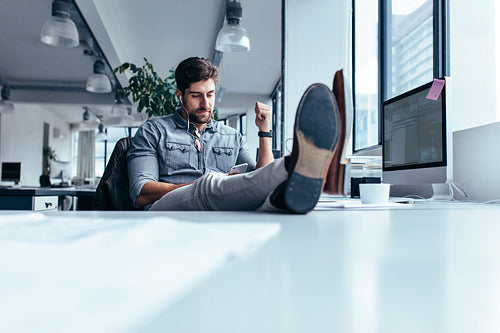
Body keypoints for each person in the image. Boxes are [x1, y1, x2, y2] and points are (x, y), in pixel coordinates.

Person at [127, 56, 345, 213]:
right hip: (167, 212)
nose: (206, 104)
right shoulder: (154, 130)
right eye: (196, 96)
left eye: (210, 95)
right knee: (209, 185)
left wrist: (265, 131)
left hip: (220, 211)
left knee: (263, 200)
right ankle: (297, 165)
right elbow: (141, 193)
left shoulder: (231, 136)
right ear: (180, 95)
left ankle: (292, 183)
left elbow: (258, 178)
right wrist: (205, 184)